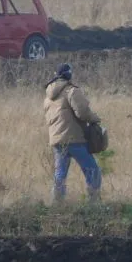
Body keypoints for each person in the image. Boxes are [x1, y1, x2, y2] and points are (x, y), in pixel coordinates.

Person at [44, 63, 103, 203]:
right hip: (74, 138)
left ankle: (57, 204)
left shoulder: (48, 96)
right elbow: (82, 112)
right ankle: (94, 202)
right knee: (92, 170)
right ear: (69, 75)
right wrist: (95, 119)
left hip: (57, 141)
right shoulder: (72, 91)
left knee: (60, 174)